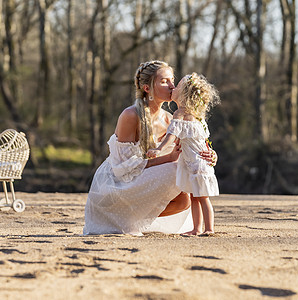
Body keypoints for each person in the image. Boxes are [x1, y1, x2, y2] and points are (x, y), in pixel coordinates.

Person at [83, 61, 217, 235]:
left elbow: (194, 144)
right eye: (164, 81)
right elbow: (122, 168)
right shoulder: (130, 115)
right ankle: (120, 217)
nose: (172, 86)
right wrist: (168, 159)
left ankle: (139, 220)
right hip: (117, 185)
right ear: (147, 88)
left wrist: (209, 155)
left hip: (146, 179)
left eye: (172, 80)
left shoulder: (171, 119)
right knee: (178, 169)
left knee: (185, 196)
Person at [147, 72, 220, 235]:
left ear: (184, 94)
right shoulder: (197, 117)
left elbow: (171, 135)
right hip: (192, 163)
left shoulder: (180, 114)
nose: (173, 87)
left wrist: (158, 149)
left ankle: (209, 228)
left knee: (202, 197)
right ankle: (196, 228)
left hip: (197, 164)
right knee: (195, 197)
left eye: (177, 85)